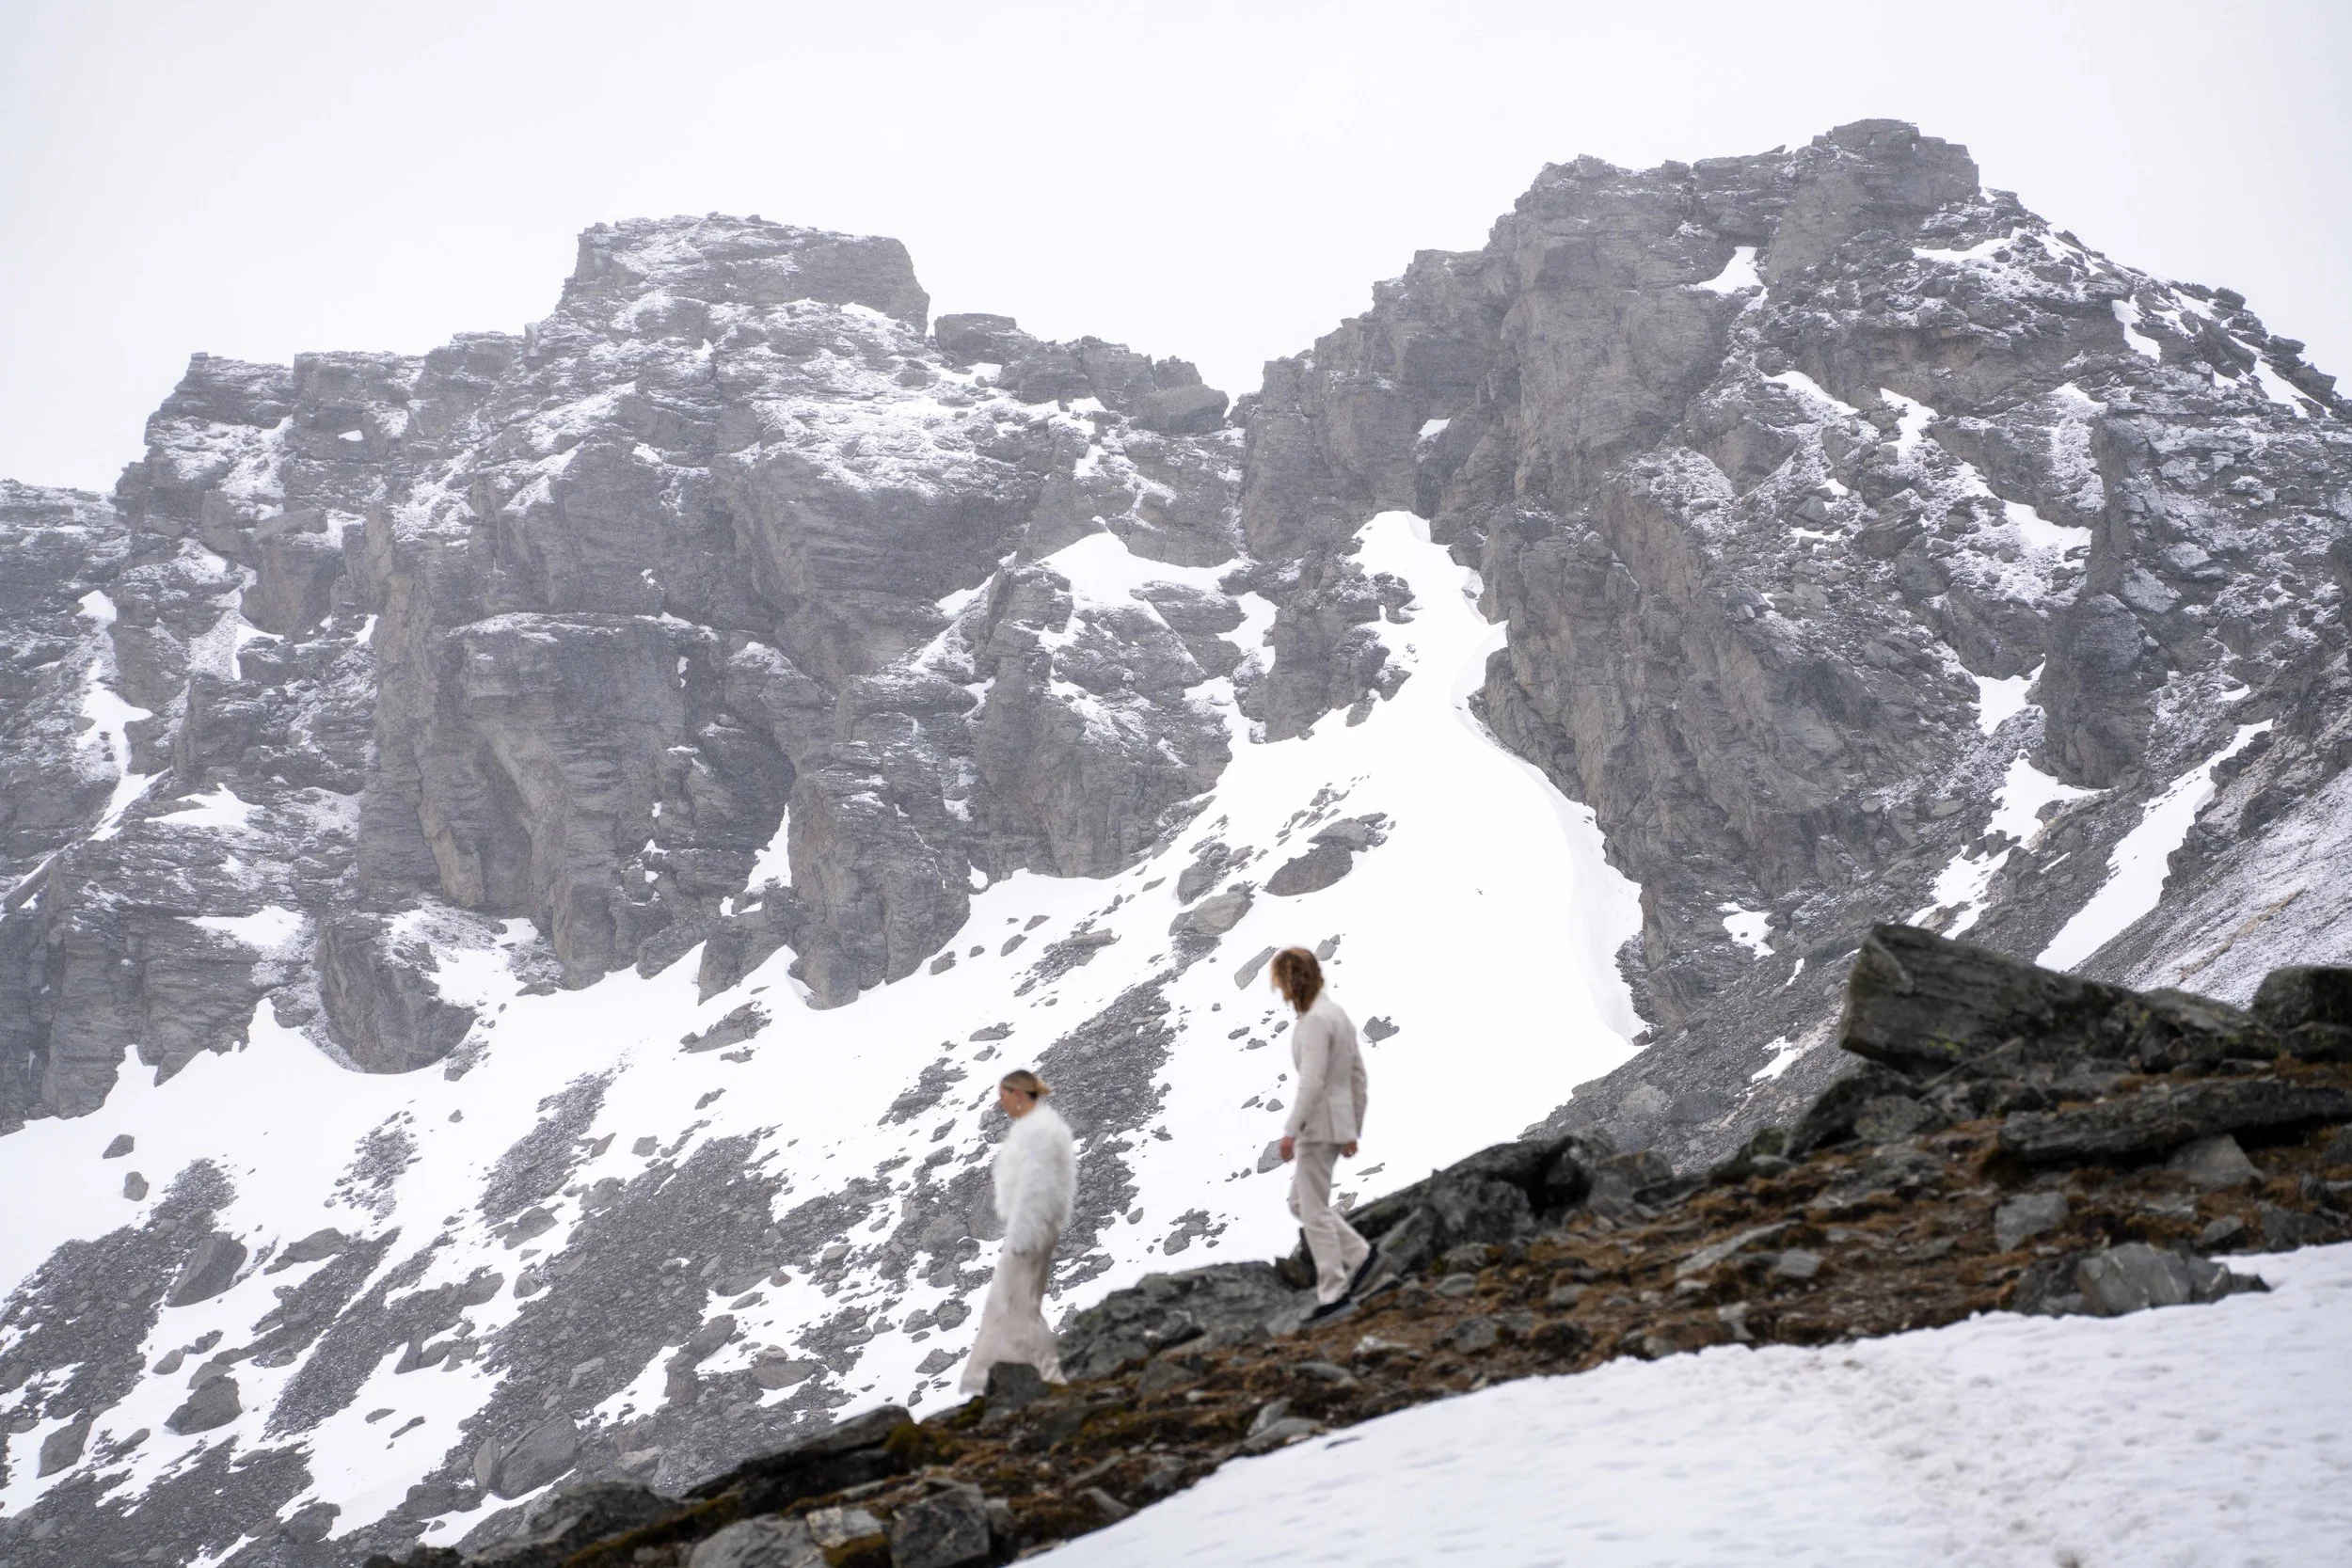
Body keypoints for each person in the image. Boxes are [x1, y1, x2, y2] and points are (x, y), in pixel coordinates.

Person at [1272, 947, 1377, 1321]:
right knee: (1300, 1203)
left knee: (1311, 1210)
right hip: (1335, 1125)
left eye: (1284, 981)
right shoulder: (1335, 1014)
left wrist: (1289, 1132)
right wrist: (1353, 1129)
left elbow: (1312, 1082)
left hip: (1317, 1127)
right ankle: (1363, 1257)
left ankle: (1334, 1293)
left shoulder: (1316, 1021)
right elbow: (1357, 1077)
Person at [957, 1069, 1077, 1394]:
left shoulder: (1037, 1131)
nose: (1001, 1102)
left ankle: (1042, 1377)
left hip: (1031, 1228)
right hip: (1034, 1224)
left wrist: (1023, 1235)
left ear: (1020, 1094)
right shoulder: (1038, 1127)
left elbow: (1035, 1187)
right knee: (1014, 1301)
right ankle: (1017, 1375)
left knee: (1014, 1301)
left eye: (1005, 1094)